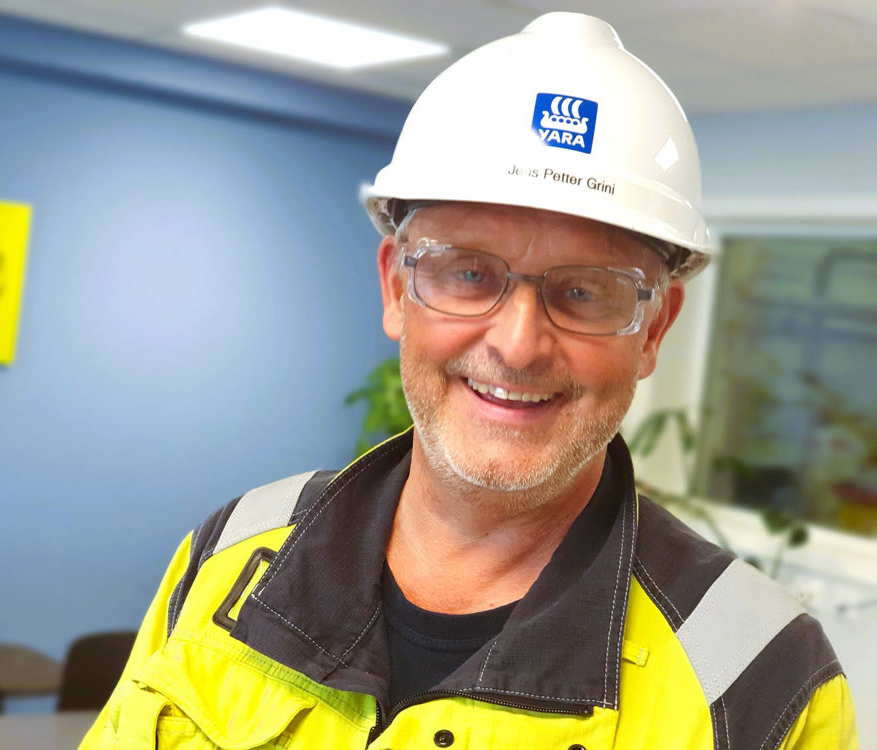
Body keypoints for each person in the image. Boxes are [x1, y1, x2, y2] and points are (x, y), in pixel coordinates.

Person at [81, 11, 857, 749]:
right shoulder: (232, 556)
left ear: (653, 329)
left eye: (585, 292)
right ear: (395, 287)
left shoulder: (759, 680)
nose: (518, 345)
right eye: (469, 273)